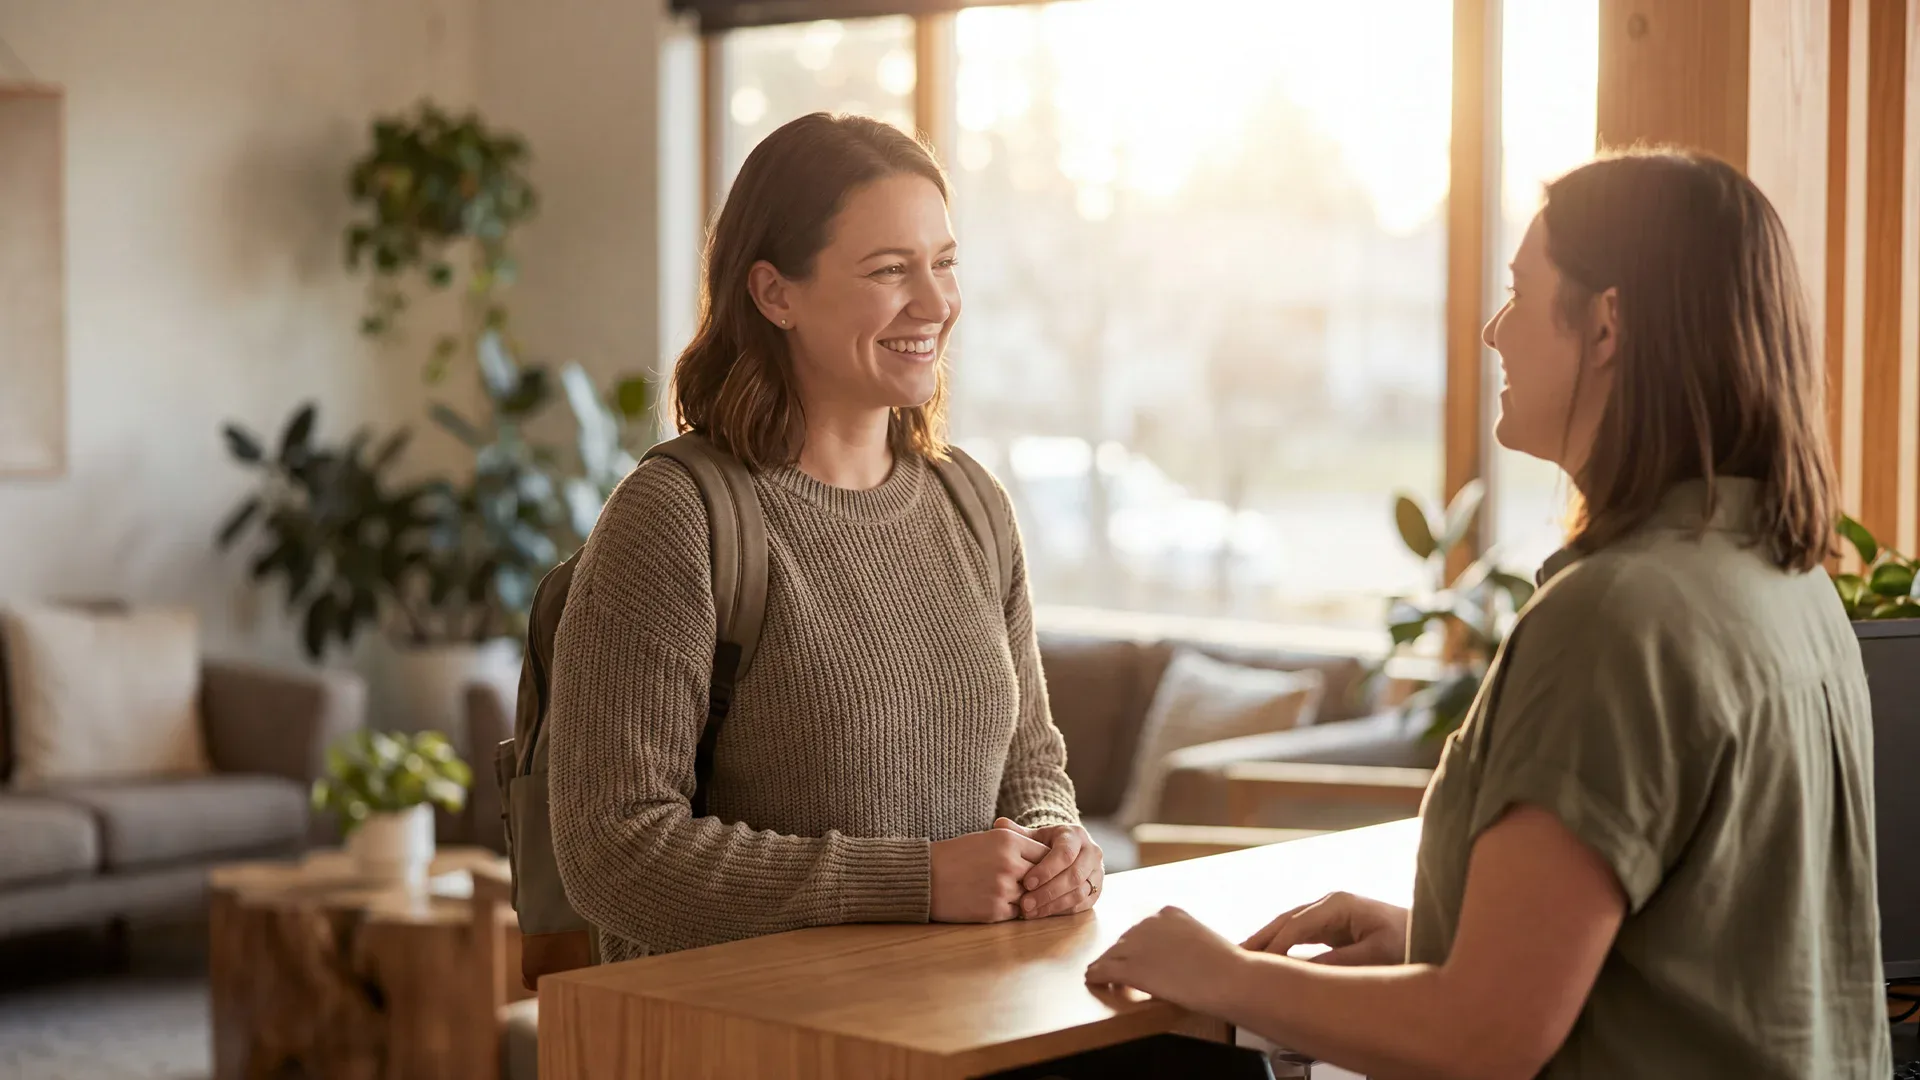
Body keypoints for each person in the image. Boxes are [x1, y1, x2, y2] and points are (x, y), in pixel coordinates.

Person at [1086, 149, 1890, 1078]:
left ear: (1607, 324)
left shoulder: (1616, 617)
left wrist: (1222, 974)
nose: (1494, 330)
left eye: (1518, 294)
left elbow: (1483, 1038)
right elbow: (1708, 955)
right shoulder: (1788, 583)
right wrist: (1430, 939)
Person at [545, 112, 1102, 964]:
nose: (936, 304)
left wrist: (1056, 844)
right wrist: (914, 882)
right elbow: (612, 852)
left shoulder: (972, 504)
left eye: (944, 263)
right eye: (890, 270)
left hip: (959, 1015)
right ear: (775, 294)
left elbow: (1030, 765)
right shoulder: (676, 517)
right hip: (747, 1025)